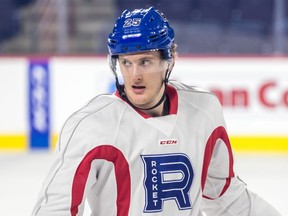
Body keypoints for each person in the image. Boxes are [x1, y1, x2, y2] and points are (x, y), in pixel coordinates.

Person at [32, 7, 281, 216]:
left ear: (169, 60)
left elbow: (225, 197)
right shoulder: (91, 127)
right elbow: (55, 209)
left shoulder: (203, 111)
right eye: (126, 63)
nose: (135, 75)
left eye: (145, 62)